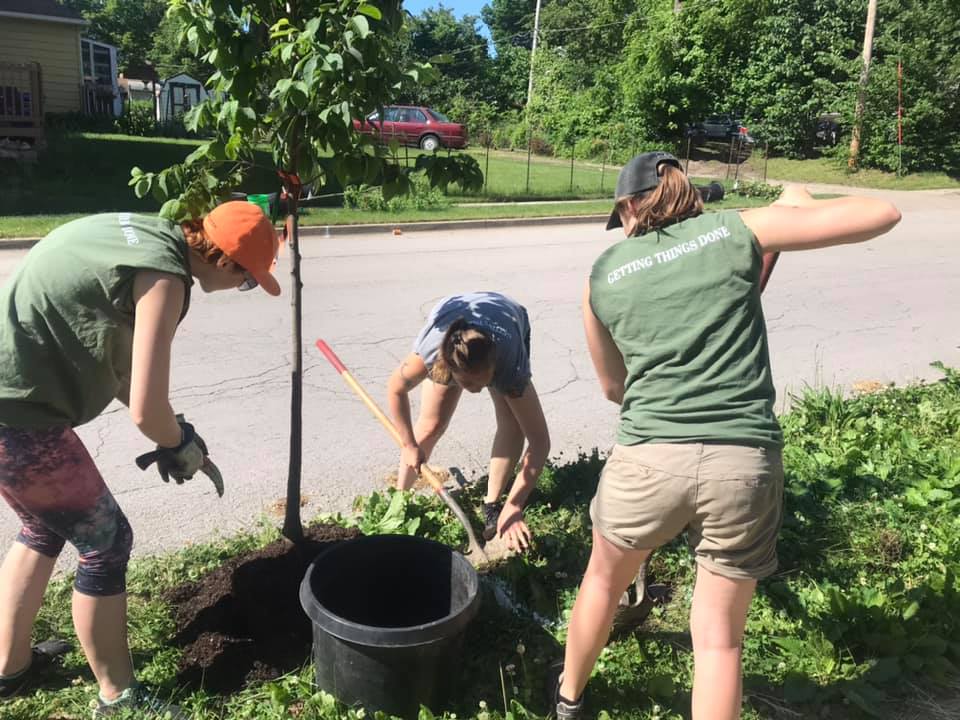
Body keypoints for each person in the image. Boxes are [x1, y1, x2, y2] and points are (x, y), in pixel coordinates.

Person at [555, 152, 901, 720]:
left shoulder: (602, 276)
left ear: (628, 208)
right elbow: (883, 211)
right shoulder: (738, 230)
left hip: (647, 460)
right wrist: (796, 202)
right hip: (744, 463)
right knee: (718, 639)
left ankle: (568, 701)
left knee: (601, 582)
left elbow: (614, 388)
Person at [0, 202, 282, 717]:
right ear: (227, 261)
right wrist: (178, 444)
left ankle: (9, 670)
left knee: (42, 528)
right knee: (106, 540)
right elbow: (147, 409)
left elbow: (129, 375)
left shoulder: (145, 235)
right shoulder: (167, 277)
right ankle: (117, 696)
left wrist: (172, 433)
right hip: (17, 413)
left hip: (11, 399)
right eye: (246, 281)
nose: (239, 289)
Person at [386, 292, 550, 552]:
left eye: (480, 382)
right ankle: (398, 502)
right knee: (430, 425)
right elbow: (395, 388)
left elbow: (540, 442)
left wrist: (514, 505)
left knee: (511, 422)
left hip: (508, 317)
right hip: (451, 319)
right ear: (450, 367)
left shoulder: (510, 366)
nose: (473, 390)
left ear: (494, 369)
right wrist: (408, 444)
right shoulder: (432, 355)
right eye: (465, 382)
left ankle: (492, 505)